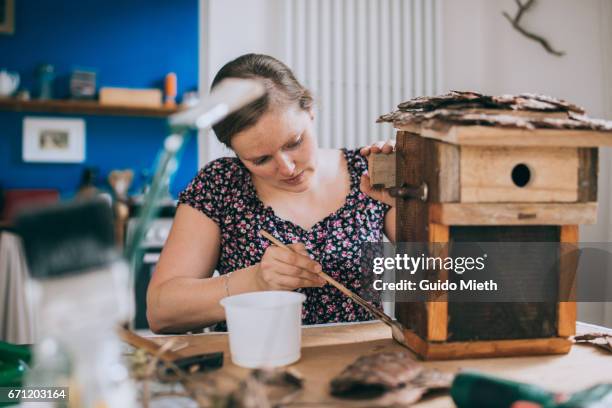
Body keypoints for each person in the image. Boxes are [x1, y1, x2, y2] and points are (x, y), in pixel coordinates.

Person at [147, 53, 396, 333]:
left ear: (310, 110)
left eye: (294, 142)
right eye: (261, 160)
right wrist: (255, 281)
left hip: (362, 365)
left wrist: (414, 205)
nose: (287, 168)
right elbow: (160, 312)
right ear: (236, 152)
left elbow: (441, 285)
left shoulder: (368, 173)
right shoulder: (220, 184)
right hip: (252, 367)